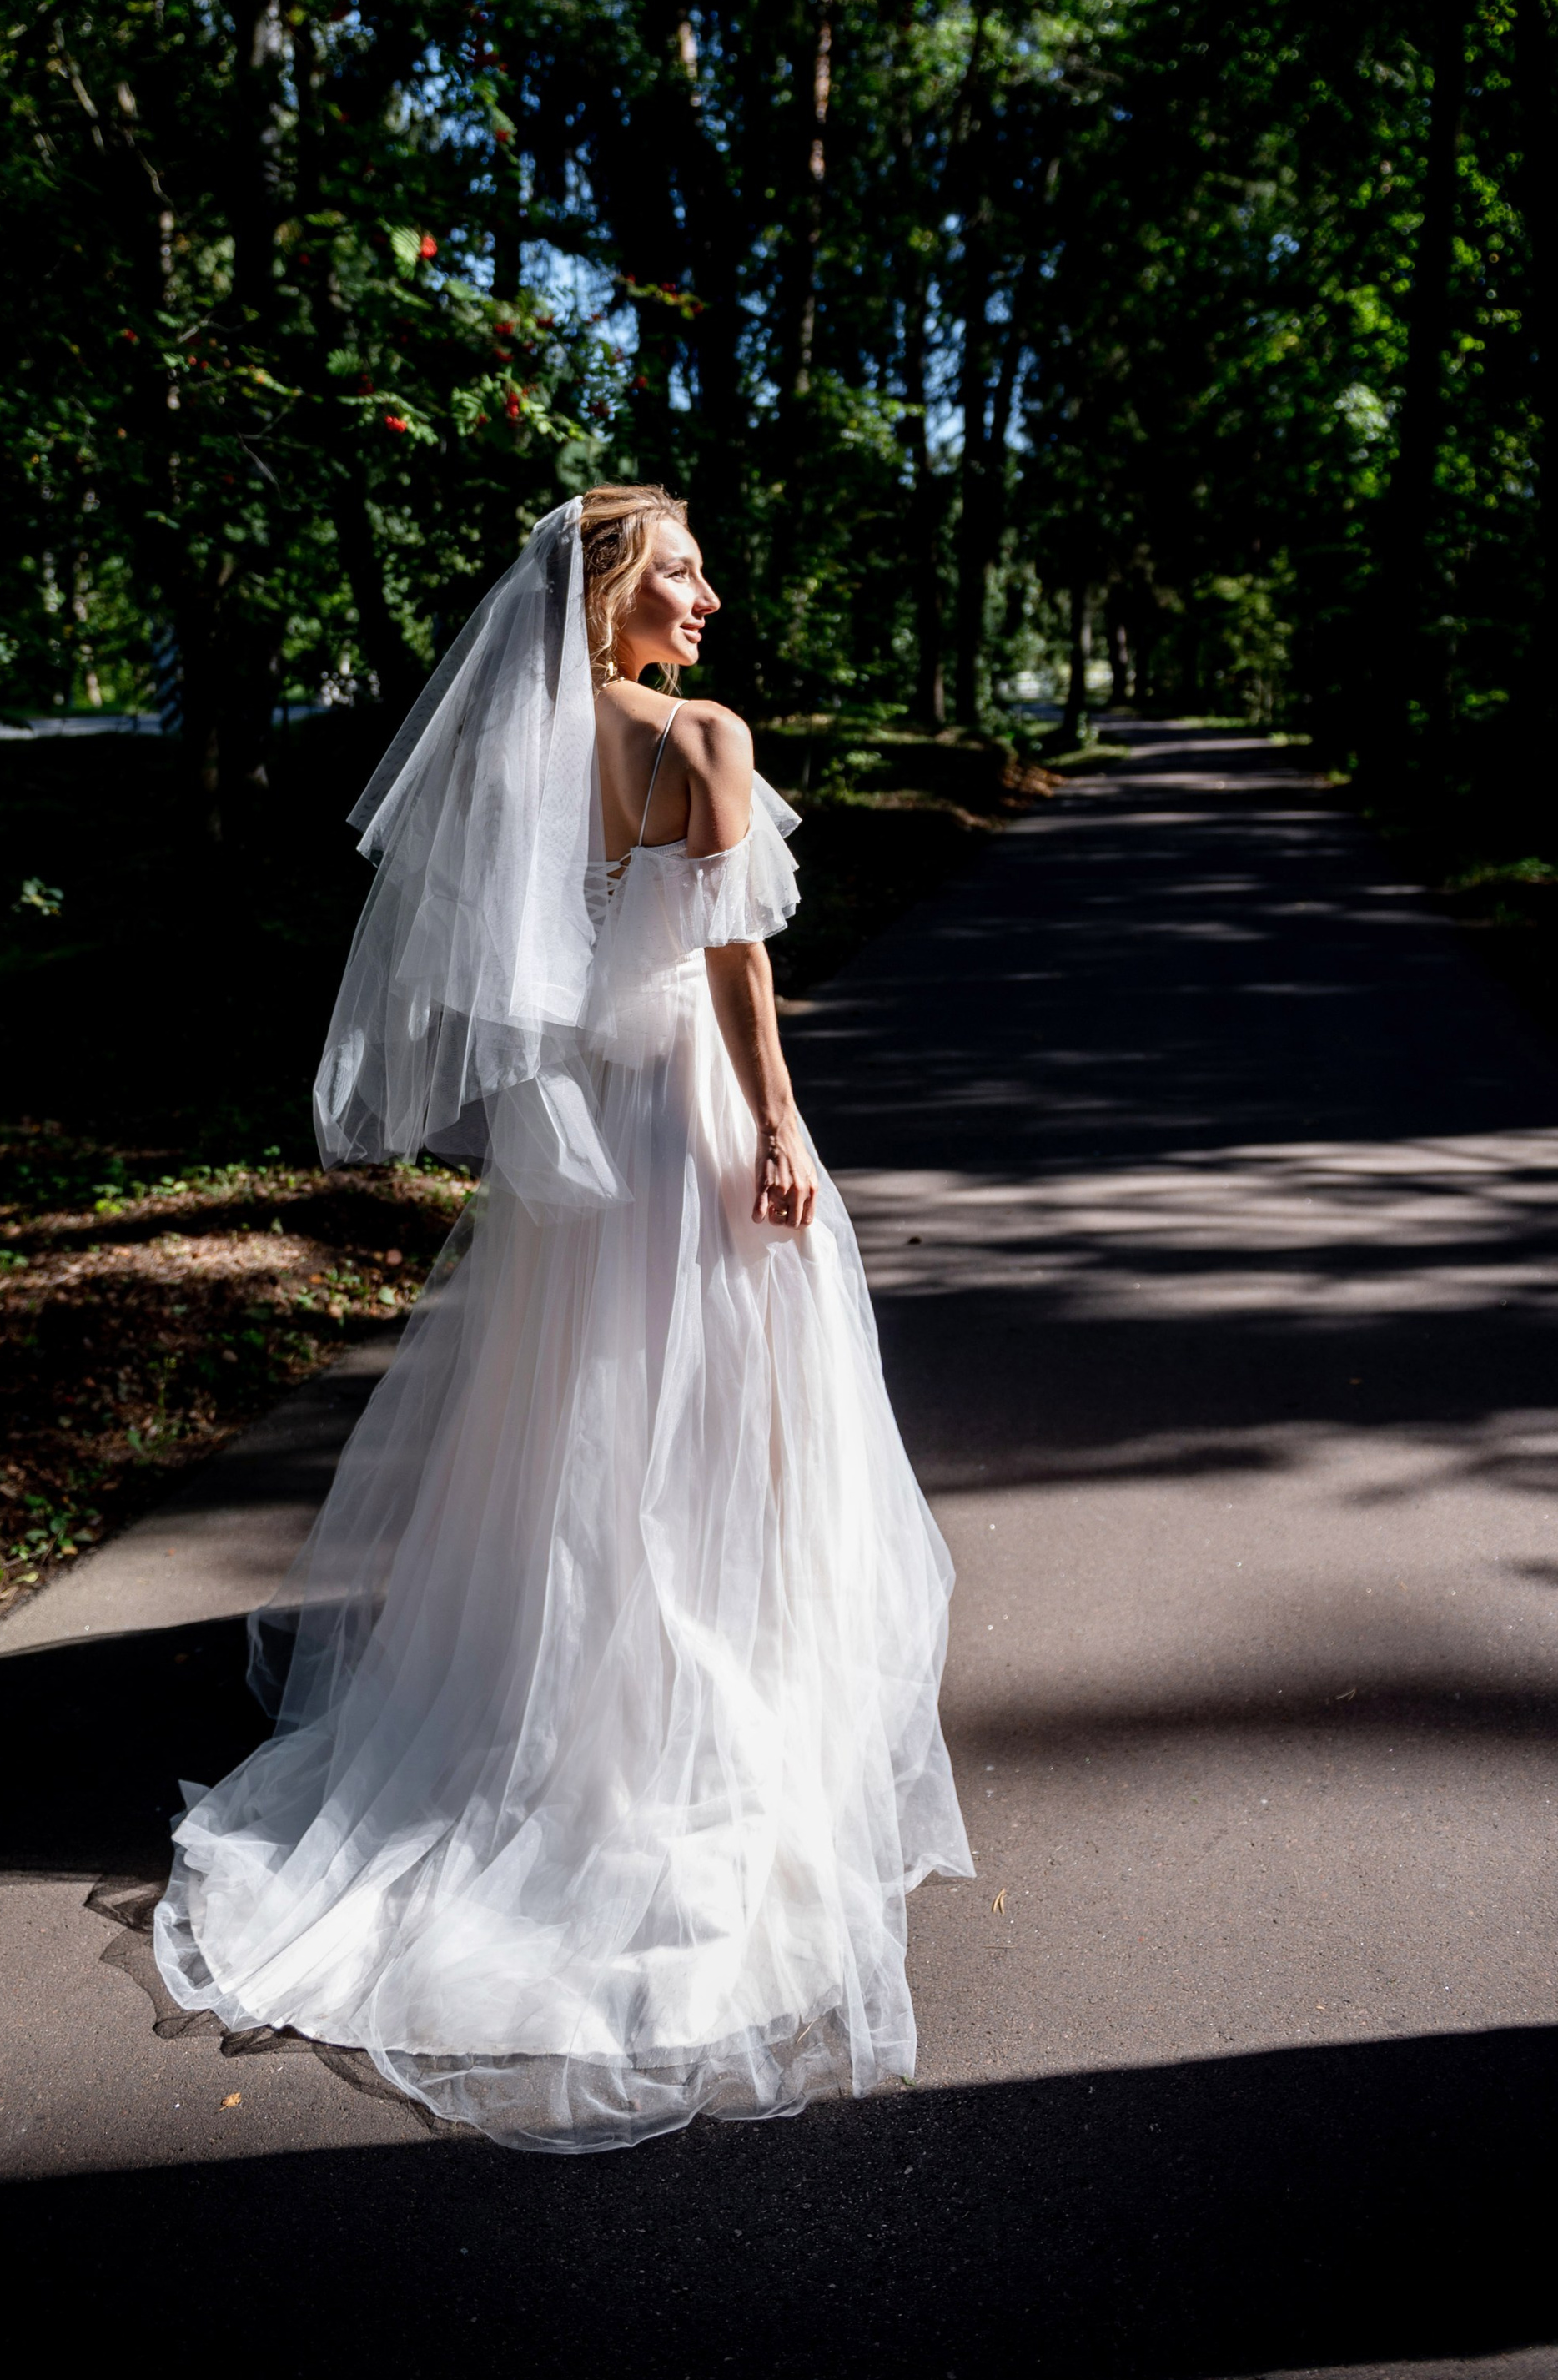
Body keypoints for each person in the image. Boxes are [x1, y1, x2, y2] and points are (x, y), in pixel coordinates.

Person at [154, 485, 972, 2151]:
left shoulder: (530, 752)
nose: (710, 594)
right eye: (679, 570)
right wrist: (787, 1131)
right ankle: (699, 1746)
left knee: (578, 1432)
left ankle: (571, 1725)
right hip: (685, 1113)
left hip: (577, 1149)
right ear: (610, 590)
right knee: (730, 1423)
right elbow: (736, 967)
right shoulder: (699, 734)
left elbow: (504, 963)